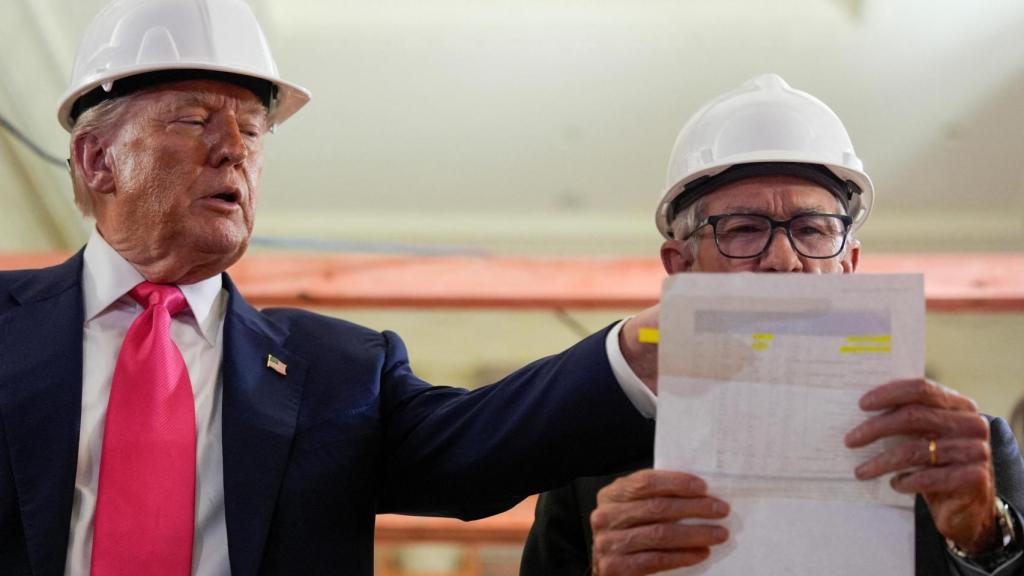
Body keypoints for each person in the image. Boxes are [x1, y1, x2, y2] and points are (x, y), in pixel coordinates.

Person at [0, 1, 659, 574]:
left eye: (254, 129)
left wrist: (647, 344)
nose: (234, 149)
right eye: (193, 120)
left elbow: (482, 443)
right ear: (97, 159)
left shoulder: (341, 372)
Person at [520, 74, 1024, 576]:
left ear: (847, 266)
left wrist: (987, 538)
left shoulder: (958, 455)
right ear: (681, 267)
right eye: (743, 229)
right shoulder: (587, 468)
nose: (784, 259)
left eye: (811, 230)